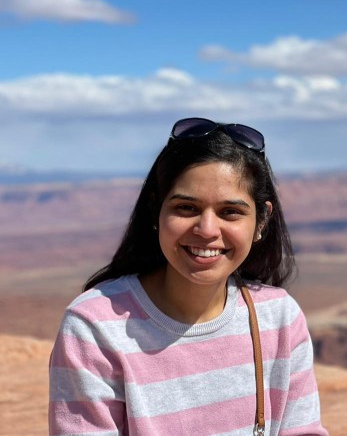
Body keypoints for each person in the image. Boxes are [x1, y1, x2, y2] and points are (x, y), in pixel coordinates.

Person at [49, 117, 328, 435]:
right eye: (186, 208)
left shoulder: (279, 317)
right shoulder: (94, 326)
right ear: (156, 210)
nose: (207, 230)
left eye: (230, 212)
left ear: (261, 221)